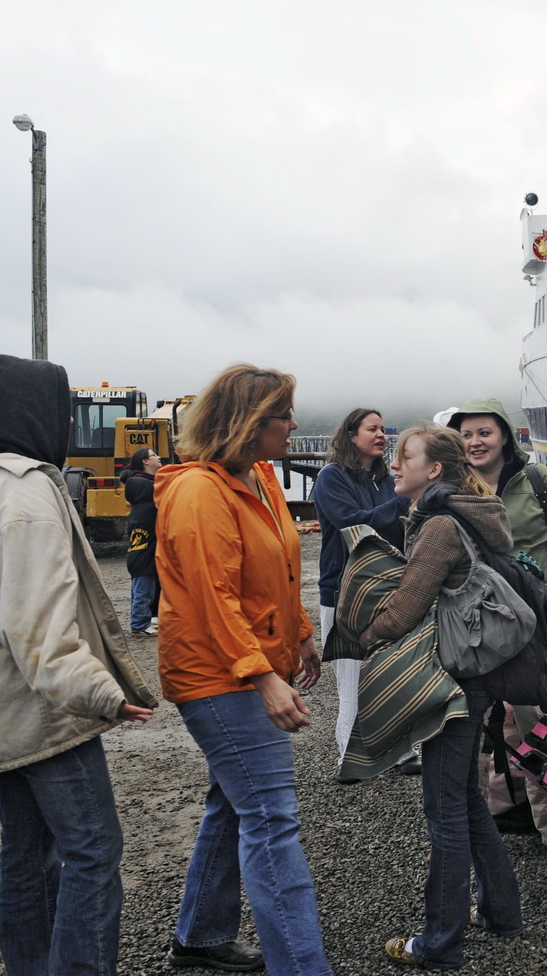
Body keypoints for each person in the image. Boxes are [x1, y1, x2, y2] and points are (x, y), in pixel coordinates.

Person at [0, 353, 157, 976]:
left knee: (25, 855)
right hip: (43, 709)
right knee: (94, 852)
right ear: (35, 414)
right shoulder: (21, 494)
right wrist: (102, 692)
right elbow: (39, 633)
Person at [155, 363, 331, 975]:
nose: (292, 424)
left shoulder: (258, 476)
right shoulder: (199, 493)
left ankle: (200, 935)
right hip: (217, 678)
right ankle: (304, 966)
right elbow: (213, 597)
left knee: (235, 802)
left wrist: (302, 635)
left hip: (245, 665)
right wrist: (262, 676)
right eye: (283, 415)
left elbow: (278, 566)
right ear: (249, 423)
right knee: (270, 817)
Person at [362, 426, 523, 967]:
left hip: (451, 685)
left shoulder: (439, 527)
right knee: (467, 800)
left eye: (403, 455)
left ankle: (439, 941)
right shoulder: (472, 511)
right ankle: (501, 911)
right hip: (475, 678)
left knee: (443, 812)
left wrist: (352, 636)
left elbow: (404, 613)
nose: (393, 463)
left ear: (433, 471)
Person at [448, 399, 547, 857]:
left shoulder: (538, 483)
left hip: (534, 632)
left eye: (484, 432)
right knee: (469, 730)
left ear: (505, 437)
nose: (475, 442)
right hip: (475, 634)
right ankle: (476, 820)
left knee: (541, 726)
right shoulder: (452, 488)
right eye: (466, 434)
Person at [313, 407, 411, 769]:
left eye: (384, 429)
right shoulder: (331, 478)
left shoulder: (386, 479)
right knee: (352, 678)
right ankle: (349, 757)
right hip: (343, 593)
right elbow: (353, 526)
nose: (382, 435)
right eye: (373, 429)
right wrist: (404, 503)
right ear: (351, 436)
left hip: (388, 590)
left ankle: (400, 751)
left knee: (393, 673)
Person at [122, 445, 164, 636]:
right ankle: (139, 625)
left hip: (148, 541)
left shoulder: (146, 482)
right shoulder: (142, 483)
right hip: (144, 542)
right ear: (145, 461)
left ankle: (146, 619)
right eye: (154, 455)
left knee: (147, 581)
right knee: (144, 583)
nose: (158, 457)